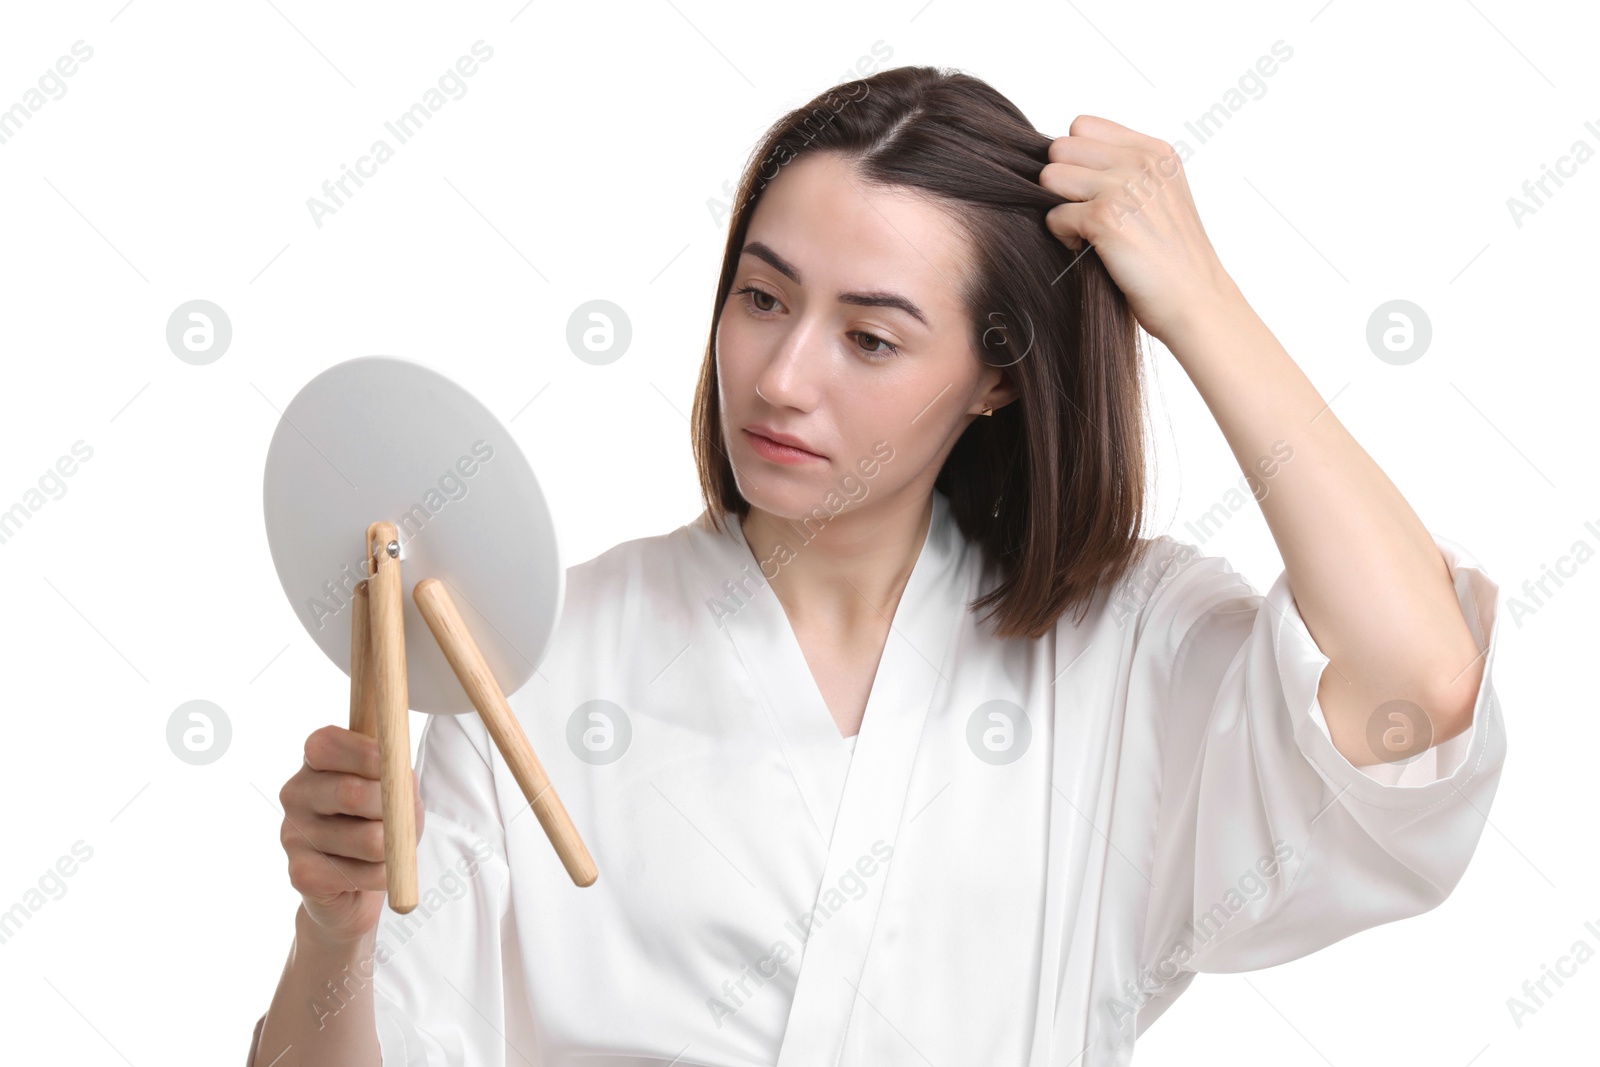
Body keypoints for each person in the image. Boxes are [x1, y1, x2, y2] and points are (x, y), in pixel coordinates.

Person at [248, 65, 1505, 1066]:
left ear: (998, 375)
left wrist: (1194, 296)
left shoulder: (1122, 650)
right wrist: (335, 931)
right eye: (761, 298)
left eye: (870, 335)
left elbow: (1417, 682)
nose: (784, 378)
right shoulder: (536, 654)